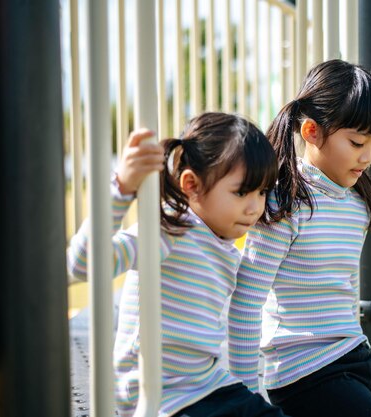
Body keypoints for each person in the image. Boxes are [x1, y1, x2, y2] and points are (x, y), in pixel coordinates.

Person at [228, 60, 371, 417]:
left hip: (354, 356)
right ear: (311, 131)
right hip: (303, 373)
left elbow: (344, 287)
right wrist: (246, 398)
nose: (367, 157)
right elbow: (246, 300)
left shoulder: (357, 203)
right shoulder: (284, 202)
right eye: (357, 142)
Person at [67, 112, 289, 417]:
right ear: (191, 185)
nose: (255, 207)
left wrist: (251, 397)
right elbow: (82, 262)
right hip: (159, 393)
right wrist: (120, 189)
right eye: (241, 192)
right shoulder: (169, 230)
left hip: (207, 385)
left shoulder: (226, 248)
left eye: (262, 192)